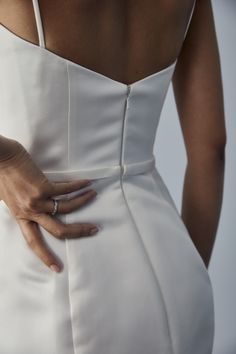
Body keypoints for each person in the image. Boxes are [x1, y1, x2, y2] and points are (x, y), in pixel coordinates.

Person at [0, 0, 226, 353]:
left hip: (46, 278)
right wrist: (185, 272)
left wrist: (5, 159)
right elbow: (211, 149)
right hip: (175, 268)